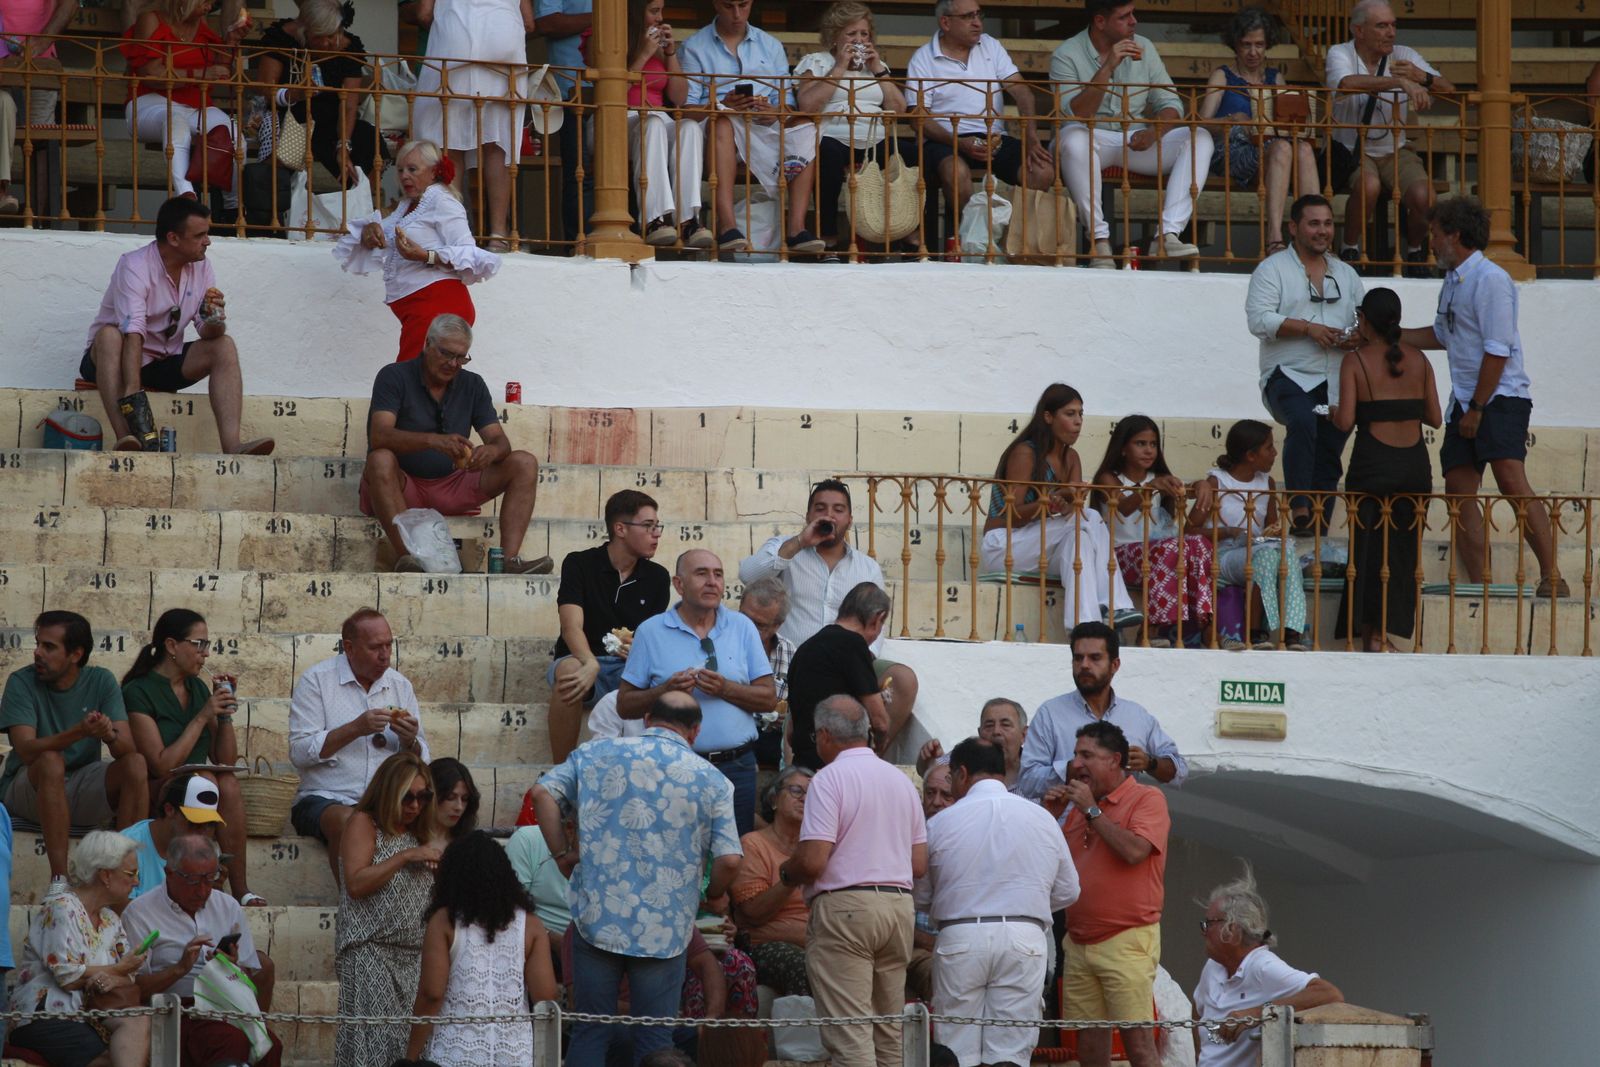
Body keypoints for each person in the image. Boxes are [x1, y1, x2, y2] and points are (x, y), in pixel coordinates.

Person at [529, 691, 743, 1065]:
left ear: (646, 719)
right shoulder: (714, 781)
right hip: (666, 927)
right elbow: (728, 860)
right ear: (695, 732)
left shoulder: (595, 754)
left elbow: (542, 793)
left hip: (597, 915)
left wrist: (562, 853)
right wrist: (712, 893)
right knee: (655, 1039)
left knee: (590, 1031)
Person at [1400, 196, 1566, 597]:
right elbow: (1442, 335)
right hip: (1466, 399)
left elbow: (1498, 350)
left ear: (1454, 234)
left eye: (1436, 234)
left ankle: (1552, 575)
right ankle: (1479, 586)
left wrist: (1477, 407)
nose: (1431, 242)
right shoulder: (1454, 280)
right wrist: (1391, 335)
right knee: (1459, 490)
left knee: (1511, 480)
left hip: (1499, 398)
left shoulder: (1490, 280)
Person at [779, 695, 927, 1067]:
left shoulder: (829, 778)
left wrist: (788, 871)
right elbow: (919, 864)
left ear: (825, 735)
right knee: (888, 1033)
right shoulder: (901, 781)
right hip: (897, 908)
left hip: (847, 911)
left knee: (850, 1036)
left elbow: (812, 861)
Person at [918, 738, 1079, 1067]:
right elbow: (1069, 890)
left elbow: (919, 895)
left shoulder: (939, 824)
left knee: (956, 1052)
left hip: (960, 936)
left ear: (962, 774)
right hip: (1025, 937)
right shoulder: (1042, 819)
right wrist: (1023, 904)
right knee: (1009, 1053)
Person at [80, 196, 275, 454]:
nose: (208, 241)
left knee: (223, 345)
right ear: (173, 239)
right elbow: (133, 330)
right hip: (116, 360)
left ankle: (233, 446)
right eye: (200, 235)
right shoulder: (134, 265)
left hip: (163, 360)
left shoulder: (202, 266)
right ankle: (126, 439)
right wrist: (133, 393)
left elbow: (207, 332)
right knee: (108, 336)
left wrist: (214, 318)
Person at [359, 314, 552, 574]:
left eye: (461, 357)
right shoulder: (394, 376)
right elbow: (379, 436)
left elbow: (500, 440)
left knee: (524, 462)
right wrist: (432, 441)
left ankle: (509, 560)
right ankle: (408, 558)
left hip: (453, 483)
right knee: (380, 459)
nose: (453, 363)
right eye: (446, 354)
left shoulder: (472, 384)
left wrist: (491, 451)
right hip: (404, 486)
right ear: (427, 344)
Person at [618, 549, 776, 834]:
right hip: (672, 765)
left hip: (736, 766)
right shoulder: (650, 631)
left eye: (718, 574)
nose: (712, 582)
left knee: (731, 859)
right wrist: (665, 691)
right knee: (674, 853)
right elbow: (625, 705)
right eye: (701, 573)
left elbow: (768, 698)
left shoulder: (743, 627)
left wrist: (725, 689)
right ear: (679, 584)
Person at [1042, 722, 1170, 1067]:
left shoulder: (1147, 798)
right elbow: (1053, 872)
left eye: (1087, 755)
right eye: (1075, 755)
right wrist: (1048, 819)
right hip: (1078, 942)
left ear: (1115, 760)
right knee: (1089, 1051)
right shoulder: (1075, 811)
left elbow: (1134, 851)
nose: (1077, 763)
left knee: (1139, 1047)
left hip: (1126, 939)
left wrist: (1091, 810)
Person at [740, 478, 920, 721]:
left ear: (849, 520)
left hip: (847, 667)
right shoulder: (786, 548)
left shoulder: (867, 568)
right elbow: (748, 575)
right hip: (791, 665)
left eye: (838, 510)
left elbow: (877, 625)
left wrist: (858, 668)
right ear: (808, 516)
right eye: (821, 508)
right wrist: (801, 542)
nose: (829, 515)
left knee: (903, 680)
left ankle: (871, 755)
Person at [1052, 0, 1214, 265]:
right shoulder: (1066, 54)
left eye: (1133, 14)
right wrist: (1108, 67)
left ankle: (1167, 236)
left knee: (1199, 138)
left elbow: (1171, 103)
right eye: (1124, 16)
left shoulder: (1145, 47)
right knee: (1074, 138)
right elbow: (1076, 115)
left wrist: (1154, 132)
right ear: (1100, 22)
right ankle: (1098, 242)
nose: (1134, 21)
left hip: (1134, 140)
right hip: (1090, 138)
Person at [0, 611, 148, 896]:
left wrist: (107, 734)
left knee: (135, 765)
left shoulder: (101, 680)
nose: (38, 653)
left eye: (49, 647)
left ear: (76, 654)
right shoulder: (21, 682)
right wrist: (80, 732)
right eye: (38, 644)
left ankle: (122, 874)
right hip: (27, 786)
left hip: (80, 784)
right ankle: (60, 881)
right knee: (50, 760)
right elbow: (26, 750)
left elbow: (128, 749)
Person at [1245, 193, 1365, 534]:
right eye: (1314, 223)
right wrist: (1308, 328)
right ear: (1293, 227)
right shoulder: (1272, 269)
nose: (1323, 231)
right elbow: (1259, 320)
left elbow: (1362, 321)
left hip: (1337, 379)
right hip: (1288, 375)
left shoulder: (1346, 273)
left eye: (1328, 224)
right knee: (1302, 420)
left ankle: (1315, 534)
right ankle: (1298, 504)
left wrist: (1357, 337)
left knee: (1329, 455)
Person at [121, 607, 257, 904]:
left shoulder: (196, 687)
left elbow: (227, 761)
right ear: (171, 646)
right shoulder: (138, 690)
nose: (205, 654)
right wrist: (201, 716)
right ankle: (203, 876)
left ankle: (241, 889)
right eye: (199, 645)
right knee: (206, 778)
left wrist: (223, 716)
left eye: (207, 646)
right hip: (162, 787)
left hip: (200, 783)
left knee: (229, 784)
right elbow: (160, 763)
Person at [1330, 288, 1440, 650]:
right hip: (1413, 465)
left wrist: (1330, 412)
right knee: (1402, 552)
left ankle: (1366, 634)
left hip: (1372, 463)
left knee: (1367, 549)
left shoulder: (1356, 361)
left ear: (1364, 319)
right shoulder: (1420, 359)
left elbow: (1345, 421)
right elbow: (1435, 418)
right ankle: (1385, 635)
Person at [289, 607, 430, 885]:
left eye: (389, 645)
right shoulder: (317, 681)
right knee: (350, 821)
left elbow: (420, 759)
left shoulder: (400, 685)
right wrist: (355, 729)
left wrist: (409, 741)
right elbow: (299, 753)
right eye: (376, 647)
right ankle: (354, 907)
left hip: (388, 800)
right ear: (350, 648)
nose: (385, 655)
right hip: (325, 798)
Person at [983, 385, 1140, 633]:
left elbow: (1071, 514)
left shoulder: (1072, 458)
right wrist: (1056, 498)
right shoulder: (1025, 452)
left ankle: (1084, 627)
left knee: (1080, 542)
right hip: (1004, 544)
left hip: (1042, 542)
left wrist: (1066, 502)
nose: (1078, 422)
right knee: (1090, 516)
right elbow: (1012, 515)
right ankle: (1116, 603)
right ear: (1048, 417)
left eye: (1080, 414)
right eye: (1070, 414)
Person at [334, 140, 502, 363]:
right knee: (422, 379)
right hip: (422, 306)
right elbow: (364, 238)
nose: (404, 176)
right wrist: (369, 231)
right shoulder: (408, 206)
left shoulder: (443, 202)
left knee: (410, 377)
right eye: (401, 170)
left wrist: (426, 255)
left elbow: (468, 253)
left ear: (434, 172)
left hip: (437, 304)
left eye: (412, 169)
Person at [124, 834, 284, 1067]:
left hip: (226, 1004)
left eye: (211, 879)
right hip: (177, 1011)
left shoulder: (227, 905)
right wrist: (179, 969)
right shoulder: (139, 913)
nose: (203, 890)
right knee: (229, 1041)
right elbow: (134, 989)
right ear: (169, 874)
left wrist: (230, 966)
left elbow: (248, 978)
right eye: (193, 881)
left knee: (270, 1045)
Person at [680, 0, 825, 253]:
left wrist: (775, 113)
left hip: (764, 128)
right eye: (728, 6)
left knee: (805, 126)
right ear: (715, 4)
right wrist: (721, 104)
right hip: (716, 132)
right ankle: (727, 226)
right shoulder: (694, 46)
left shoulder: (770, 45)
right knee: (723, 122)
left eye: (743, 5)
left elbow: (789, 106)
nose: (737, 14)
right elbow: (686, 108)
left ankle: (796, 229)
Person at [405, 830, 558, 1066]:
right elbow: (545, 996)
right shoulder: (531, 925)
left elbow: (432, 993)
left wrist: (410, 1055)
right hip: (515, 1054)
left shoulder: (444, 921)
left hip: (456, 1052)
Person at [1325, 0, 1453, 271]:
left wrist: (1421, 77)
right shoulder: (1340, 52)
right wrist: (1399, 82)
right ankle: (1350, 250)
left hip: (1396, 148)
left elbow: (1449, 90)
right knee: (1368, 186)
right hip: (1353, 149)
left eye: (1393, 25)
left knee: (1424, 195)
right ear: (1359, 31)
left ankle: (1415, 254)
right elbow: (1345, 84)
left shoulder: (1404, 53)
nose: (1391, 33)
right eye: (1382, 26)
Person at [6, 831, 152, 1067]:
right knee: (112, 1060)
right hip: (46, 1018)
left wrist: (113, 977)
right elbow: (68, 977)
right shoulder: (62, 908)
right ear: (105, 875)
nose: (137, 882)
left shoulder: (111, 920)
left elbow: (129, 977)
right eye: (131, 873)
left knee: (139, 1023)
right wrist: (118, 969)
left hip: (92, 1016)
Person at [547, 489, 670, 762]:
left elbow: (650, 636)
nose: (657, 533)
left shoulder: (658, 577)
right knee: (569, 670)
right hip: (583, 659)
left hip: (628, 668)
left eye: (657, 526)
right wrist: (589, 662)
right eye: (648, 526)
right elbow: (571, 626)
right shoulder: (579, 563)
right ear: (620, 529)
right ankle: (563, 769)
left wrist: (638, 650)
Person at [335, 751, 441, 1067]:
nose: (415, 806)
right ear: (388, 792)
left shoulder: (418, 833)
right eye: (407, 797)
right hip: (371, 954)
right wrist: (404, 858)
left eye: (423, 797)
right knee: (374, 1052)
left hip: (412, 958)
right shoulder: (364, 823)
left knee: (409, 1054)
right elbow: (355, 884)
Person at [906, 0, 1055, 218]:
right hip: (945, 140)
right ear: (945, 23)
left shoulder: (990, 45)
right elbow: (917, 117)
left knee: (1042, 172)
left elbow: (1021, 90)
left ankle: (1009, 240)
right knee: (957, 173)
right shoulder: (923, 58)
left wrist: (1031, 136)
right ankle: (967, 241)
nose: (977, 23)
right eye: (968, 17)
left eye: (978, 15)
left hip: (993, 137)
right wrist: (958, 142)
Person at [794, 1, 918, 256]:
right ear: (834, 36)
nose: (859, 39)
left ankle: (902, 233)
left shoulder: (876, 66)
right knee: (826, 155)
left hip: (874, 138)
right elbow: (806, 104)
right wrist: (839, 67)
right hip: (833, 137)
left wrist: (878, 70)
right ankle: (827, 235)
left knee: (912, 153)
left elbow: (899, 108)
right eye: (851, 34)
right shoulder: (816, 62)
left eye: (864, 34)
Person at [1193, 865, 1343, 1066]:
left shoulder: (1262, 966)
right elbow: (1197, 1010)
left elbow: (1330, 994)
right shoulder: (1212, 967)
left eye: (1208, 924)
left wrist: (1255, 1013)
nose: (1204, 931)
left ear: (1233, 929)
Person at [1197, 7, 1319, 253]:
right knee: (1283, 148)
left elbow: (1284, 122)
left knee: (1304, 149)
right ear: (1235, 45)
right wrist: (1232, 119)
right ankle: (1274, 237)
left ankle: (1314, 235)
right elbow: (1201, 123)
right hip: (1232, 150)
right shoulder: (1223, 76)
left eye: (1259, 45)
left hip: (1271, 150)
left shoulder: (1275, 78)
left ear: (1267, 46)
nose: (1253, 52)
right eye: (1246, 44)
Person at [412, 0, 533, 247]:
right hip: (504, 39)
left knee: (450, 137)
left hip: (455, 41)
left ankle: (454, 233)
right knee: (498, 142)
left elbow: (424, 13)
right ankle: (498, 235)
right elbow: (529, 22)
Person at [1018, 621, 1185, 799]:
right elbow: (1027, 781)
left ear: (1115, 665)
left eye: (1095, 658)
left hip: (1121, 823)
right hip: (1065, 824)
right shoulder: (1050, 714)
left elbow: (1179, 772)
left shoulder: (1137, 716)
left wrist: (1150, 763)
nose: (1084, 665)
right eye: (1078, 658)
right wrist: (1073, 768)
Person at [1092, 416, 1217, 646]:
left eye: (1153, 444)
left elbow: (1186, 491)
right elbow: (1124, 506)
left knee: (1199, 543)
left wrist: (1202, 484)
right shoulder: (1108, 478)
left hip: (1157, 555)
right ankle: (1149, 630)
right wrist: (1149, 489)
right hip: (1118, 557)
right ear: (1122, 448)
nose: (1149, 450)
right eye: (1140, 444)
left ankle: (1207, 624)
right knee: (1169, 546)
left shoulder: (1159, 478)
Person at [120, 0, 244, 201]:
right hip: (150, 102)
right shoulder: (150, 19)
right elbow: (151, 73)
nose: (209, 7)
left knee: (232, 133)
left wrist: (231, 41)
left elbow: (220, 70)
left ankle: (234, 206)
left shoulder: (200, 23)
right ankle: (186, 195)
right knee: (175, 123)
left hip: (196, 104)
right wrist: (199, 74)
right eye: (204, 2)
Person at [258, 0, 386, 191]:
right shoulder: (282, 38)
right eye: (319, 37)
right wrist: (296, 94)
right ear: (305, 30)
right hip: (292, 116)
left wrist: (344, 146)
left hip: (332, 121)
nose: (326, 43)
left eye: (332, 36)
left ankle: (361, 202)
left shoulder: (347, 47)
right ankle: (285, 206)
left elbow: (349, 105)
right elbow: (266, 90)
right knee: (284, 145)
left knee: (369, 138)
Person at [1205, 421, 1311, 650]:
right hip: (1225, 555)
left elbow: (1270, 525)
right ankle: (1255, 632)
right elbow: (1189, 529)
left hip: (1257, 550)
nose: (1274, 454)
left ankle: (1292, 632)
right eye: (1269, 448)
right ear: (1251, 455)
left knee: (1284, 554)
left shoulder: (1267, 482)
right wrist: (1227, 531)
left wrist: (1276, 533)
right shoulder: (1217, 482)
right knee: (1266, 558)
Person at [613, 0, 710, 248]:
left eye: (661, 11)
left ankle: (688, 220)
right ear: (636, 12)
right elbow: (612, 93)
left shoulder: (658, 46)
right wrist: (644, 53)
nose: (660, 18)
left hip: (655, 116)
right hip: (616, 118)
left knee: (689, 127)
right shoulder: (608, 37)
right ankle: (653, 219)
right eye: (654, 11)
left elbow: (679, 98)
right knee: (654, 123)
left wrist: (669, 53)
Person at [786, 581, 898, 769]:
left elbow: (790, 732)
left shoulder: (805, 648)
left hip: (802, 765)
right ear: (877, 619)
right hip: (838, 767)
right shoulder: (853, 644)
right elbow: (881, 723)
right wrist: (879, 746)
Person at [730, 766, 813, 996]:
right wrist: (793, 875)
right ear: (774, 799)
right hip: (766, 945)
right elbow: (752, 912)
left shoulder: (819, 848)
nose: (805, 798)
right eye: (797, 790)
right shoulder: (754, 844)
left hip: (818, 942)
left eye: (813, 793)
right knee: (804, 965)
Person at [0, 0, 75, 214]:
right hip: (2, 61)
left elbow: (69, 4)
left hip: (39, 64)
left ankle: (41, 217)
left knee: (41, 139)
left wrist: (41, 43)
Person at [120, 772, 225, 899]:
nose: (201, 832)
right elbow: (125, 914)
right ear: (169, 810)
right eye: (195, 823)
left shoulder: (203, 852)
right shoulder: (128, 847)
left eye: (208, 824)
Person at [916, 697, 1030, 791]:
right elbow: (932, 769)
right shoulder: (967, 756)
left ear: (1024, 735)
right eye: (989, 725)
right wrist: (927, 761)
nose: (996, 732)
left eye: (1005, 725)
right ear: (980, 733)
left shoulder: (1037, 770)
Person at [739, 577, 795, 767]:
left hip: (773, 741)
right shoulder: (721, 645)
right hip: (737, 737)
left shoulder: (788, 650)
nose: (748, 629)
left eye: (760, 625)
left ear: (778, 625)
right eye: (744, 619)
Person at [427, 757, 479, 842]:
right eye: (450, 797)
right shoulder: (407, 841)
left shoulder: (472, 844)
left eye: (465, 799)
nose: (459, 807)